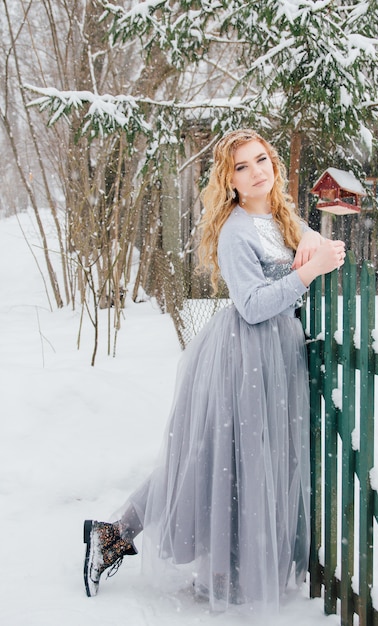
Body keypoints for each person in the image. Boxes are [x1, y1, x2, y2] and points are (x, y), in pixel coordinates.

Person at [83, 128, 345, 614]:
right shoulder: (236, 229)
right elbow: (251, 305)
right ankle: (117, 534)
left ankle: (226, 567)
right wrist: (309, 272)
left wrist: (321, 249)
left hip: (275, 357)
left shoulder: (280, 216)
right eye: (242, 167)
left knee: (249, 460)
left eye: (261, 159)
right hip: (242, 356)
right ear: (228, 180)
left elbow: (312, 244)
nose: (256, 172)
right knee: (211, 456)